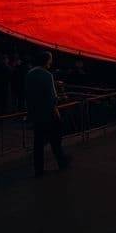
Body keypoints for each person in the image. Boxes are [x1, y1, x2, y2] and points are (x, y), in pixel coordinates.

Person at [25, 50, 71, 178]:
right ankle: (62, 161)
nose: (52, 61)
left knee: (38, 144)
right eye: (50, 59)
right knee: (56, 139)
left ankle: (38, 170)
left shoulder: (30, 74)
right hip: (49, 113)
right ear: (47, 61)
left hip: (36, 114)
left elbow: (29, 95)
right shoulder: (47, 75)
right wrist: (62, 98)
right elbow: (53, 98)